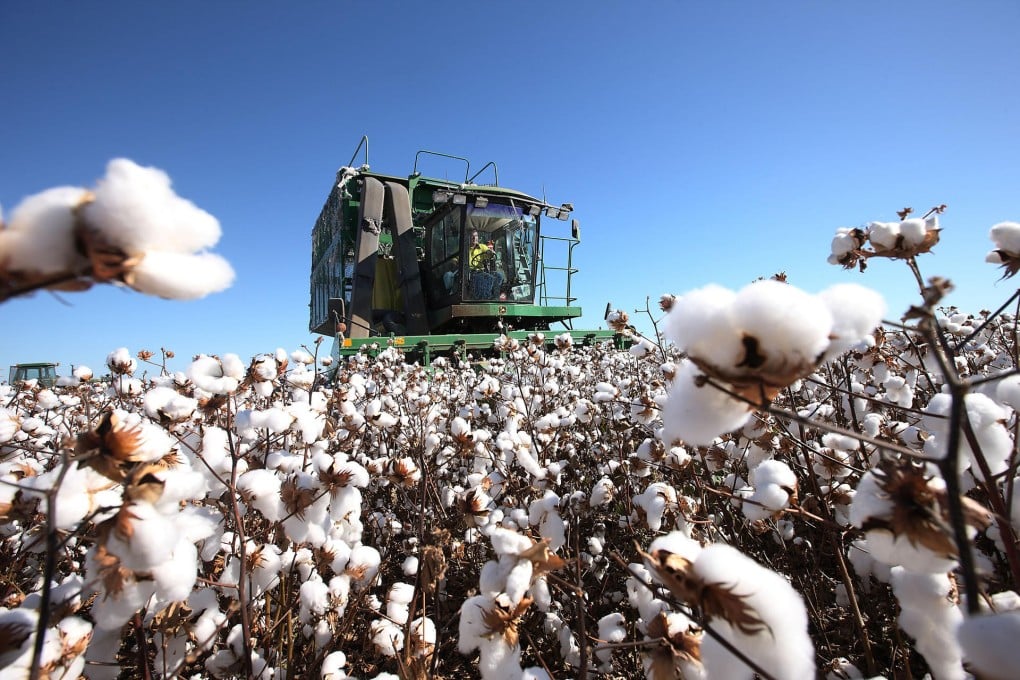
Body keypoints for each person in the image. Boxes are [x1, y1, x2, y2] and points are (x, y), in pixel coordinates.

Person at [468, 229, 504, 298]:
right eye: (472, 236)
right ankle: (485, 298)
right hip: (470, 273)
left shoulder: (482, 247)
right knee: (488, 278)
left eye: (476, 236)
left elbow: (489, 252)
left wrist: (490, 253)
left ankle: (494, 297)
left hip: (481, 271)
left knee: (499, 276)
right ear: (468, 238)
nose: (474, 238)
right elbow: (455, 260)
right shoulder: (465, 249)